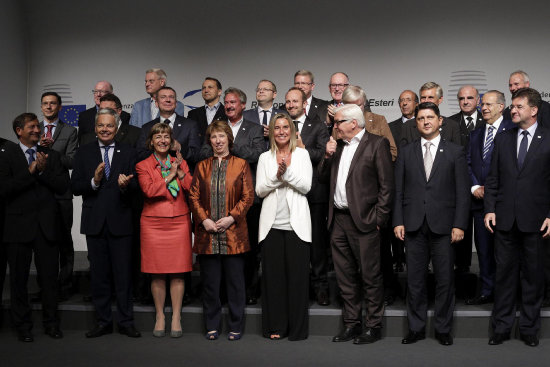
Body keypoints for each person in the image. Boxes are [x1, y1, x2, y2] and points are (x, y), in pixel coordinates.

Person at [393, 102, 470, 346]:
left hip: (445, 226)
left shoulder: (455, 151)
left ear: (440, 121)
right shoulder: (406, 152)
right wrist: (398, 221)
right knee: (414, 280)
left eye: (430, 117)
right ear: (415, 123)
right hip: (413, 225)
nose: (426, 121)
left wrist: (459, 225)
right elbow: (398, 190)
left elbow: (462, 193)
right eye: (421, 118)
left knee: (445, 279)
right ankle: (415, 328)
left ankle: (443, 329)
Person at [319, 104, 393, 345]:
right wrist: (327, 156)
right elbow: (322, 177)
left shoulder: (377, 143)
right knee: (345, 276)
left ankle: (373, 326)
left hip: (365, 221)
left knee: (370, 276)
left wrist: (378, 220)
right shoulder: (337, 146)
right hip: (338, 220)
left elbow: (386, 187)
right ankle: (352, 324)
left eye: (338, 122)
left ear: (353, 123)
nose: (334, 126)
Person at [484, 87, 550, 347]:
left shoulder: (549, 138)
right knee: (504, 276)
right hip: (504, 220)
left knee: (533, 277)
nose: (513, 110)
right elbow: (493, 179)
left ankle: (529, 329)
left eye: (519, 106)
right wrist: (490, 208)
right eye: (512, 106)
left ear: (533, 110)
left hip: (536, 222)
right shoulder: (503, 139)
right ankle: (501, 327)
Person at [71, 108, 141, 338]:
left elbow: (138, 187)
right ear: (94, 128)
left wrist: (125, 186)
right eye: (101, 125)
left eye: (109, 125)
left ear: (117, 128)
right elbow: (75, 186)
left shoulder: (130, 152)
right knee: (99, 276)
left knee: (123, 276)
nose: (105, 129)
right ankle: (102, 322)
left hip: (122, 222)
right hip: (95, 222)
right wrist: (94, 181)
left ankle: (125, 321)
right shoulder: (83, 152)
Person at [0, 113, 69, 342]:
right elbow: (5, 189)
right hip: (17, 227)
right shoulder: (6, 155)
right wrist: (30, 172)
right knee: (18, 280)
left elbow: (62, 186)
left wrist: (42, 171)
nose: (37, 131)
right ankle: (23, 326)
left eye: (37, 128)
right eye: (31, 127)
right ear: (18, 130)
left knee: (49, 280)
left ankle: (52, 324)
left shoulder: (52, 155)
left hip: (47, 227)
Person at [189, 120, 254, 341]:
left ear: (229, 139)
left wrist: (230, 218)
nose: (218, 141)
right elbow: (193, 196)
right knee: (210, 285)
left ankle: (236, 325)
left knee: (236, 285)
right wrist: (204, 220)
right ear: (210, 141)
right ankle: (212, 325)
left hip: (234, 235)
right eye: (214, 137)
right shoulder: (201, 166)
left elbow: (248, 197)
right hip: (207, 235)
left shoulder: (241, 164)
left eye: (222, 136)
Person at [256, 112, 313, 340]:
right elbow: (260, 190)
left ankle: (297, 330)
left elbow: (306, 187)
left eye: (285, 127)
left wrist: (285, 173)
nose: (281, 131)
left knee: (298, 280)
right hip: (271, 227)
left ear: (292, 131)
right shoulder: (264, 157)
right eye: (276, 127)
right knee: (274, 280)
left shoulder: (302, 155)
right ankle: (276, 327)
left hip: (297, 226)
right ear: (271, 131)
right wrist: (277, 176)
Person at [136, 123, 193, 338]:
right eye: (158, 137)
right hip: (153, 223)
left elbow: (190, 186)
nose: (162, 140)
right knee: (157, 273)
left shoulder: (180, 161)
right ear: (151, 142)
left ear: (171, 141)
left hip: (178, 220)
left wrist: (180, 172)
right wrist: (170, 174)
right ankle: (160, 315)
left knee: (178, 272)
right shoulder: (143, 165)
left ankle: (176, 316)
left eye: (166, 137)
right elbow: (150, 191)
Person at [466, 90, 514, 305]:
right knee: (484, 251)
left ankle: (507, 293)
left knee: (506, 253)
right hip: (479, 203)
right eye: (482, 104)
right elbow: (468, 163)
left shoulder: (513, 130)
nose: (483, 108)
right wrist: (475, 185)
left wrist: (495, 190)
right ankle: (487, 290)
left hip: (505, 203)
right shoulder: (475, 134)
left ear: (501, 107)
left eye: (488, 104)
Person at [285, 87, 331, 306]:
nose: (291, 105)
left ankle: (320, 286)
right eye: (288, 102)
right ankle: (298, 287)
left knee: (317, 245)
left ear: (305, 104)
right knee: (294, 243)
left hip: (314, 194)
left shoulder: (319, 125)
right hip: (287, 193)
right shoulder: (281, 126)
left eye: (295, 101)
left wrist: (303, 149)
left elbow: (323, 154)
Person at [39, 92, 78, 300]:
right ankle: (46, 286)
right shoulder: (33, 129)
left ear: (60, 107)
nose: (49, 107)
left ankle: (65, 284)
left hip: (62, 193)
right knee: (43, 241)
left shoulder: (70, 130)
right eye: (45, 103)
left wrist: (50, 151)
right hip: (38, 192)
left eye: (53, 103)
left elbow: (72, 161)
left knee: (64, 239)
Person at [136, 86, 201, 167]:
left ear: (176, 103)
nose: (168, 100)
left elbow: (197, 155)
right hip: (155, 176)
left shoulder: (190, 125)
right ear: (156, 103)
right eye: (163, 97)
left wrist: (180, 148)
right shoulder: (147, 128)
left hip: (182, 176)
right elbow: (140, 155)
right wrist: (158, 150)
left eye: (171, 97)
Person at [400, 82, 461, 146]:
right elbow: (404, 154)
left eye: (430, 97)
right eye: (423, 97)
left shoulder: (452, 126)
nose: (426, 101)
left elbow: (456, 153)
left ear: (440, 99)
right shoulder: (407, 126)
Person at [243, 79, 285, 147]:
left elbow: (290, 138)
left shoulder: (283, 115)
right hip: (251, 156)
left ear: (274, 94)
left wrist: (273, 134)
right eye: (258, 89)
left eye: (265, 89)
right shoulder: (245, 115)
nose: (261, 91)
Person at [187, 77, 227, 142]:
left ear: (219, 92)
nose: (206, 90)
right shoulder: (192, 114)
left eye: (210, 87)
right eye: (204, 88)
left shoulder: (228, 113)